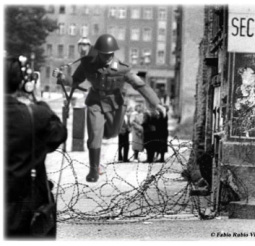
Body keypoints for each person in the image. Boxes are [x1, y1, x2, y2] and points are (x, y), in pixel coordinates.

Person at [53, 34, 165, 182]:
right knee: (94, 134)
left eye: (109, 54)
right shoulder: (88, 64)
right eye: (103, 54)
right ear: (97, 51)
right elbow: (74, 81)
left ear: (113, 53)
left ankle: (102, 147)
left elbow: (140, 85)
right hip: (95, 101)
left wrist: (156, 103)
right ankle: (93, 170)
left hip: (115, 104)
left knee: (112, 133)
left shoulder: (122, 69)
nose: (106, 57)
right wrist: (62, 77)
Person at [5, 56, 67, 238]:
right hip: (25, 208)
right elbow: (59, 134)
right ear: (23, 83)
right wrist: (37, 99)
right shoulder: (36, 115)